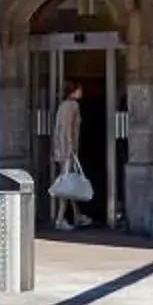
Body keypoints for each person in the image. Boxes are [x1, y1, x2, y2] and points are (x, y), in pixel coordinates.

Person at [49, 81, 91, 231]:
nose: (82, 92)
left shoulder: (63, 105)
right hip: (67, 151)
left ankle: (77, 215)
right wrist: (71, 149)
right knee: (66, 185)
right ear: (74, 91)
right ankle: (60, 219)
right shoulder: (73, 106)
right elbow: (68, 128)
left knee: (70, 182)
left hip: (61, 150)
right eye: (80, 89)